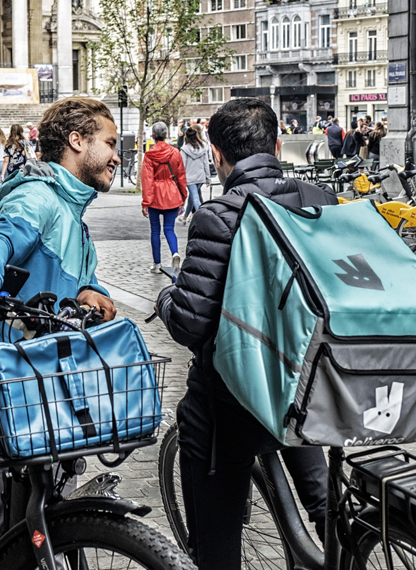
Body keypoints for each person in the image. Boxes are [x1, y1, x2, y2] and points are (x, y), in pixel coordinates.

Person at [156, 98, 336, 570]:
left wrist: (166, 298)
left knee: (215, 532)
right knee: (324, 500)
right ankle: (345, 545)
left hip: (236, 396)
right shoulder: (320, 200)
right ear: (275, 146)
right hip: (311, 382)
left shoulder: (217, 215)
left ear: (216, 155)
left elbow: (190, 323)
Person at [0, 97, 118, 570]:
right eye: (110, 143)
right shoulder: (38, 196)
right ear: (77, 141)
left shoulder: (73, 214)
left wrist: (92, 291)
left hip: (51, 386)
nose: (117, 156)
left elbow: (78, 276)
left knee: (48, 513)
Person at [141, 121, 186, 273]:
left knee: (155, 230)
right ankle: (175, 253)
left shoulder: (149, 155)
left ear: (153, 136)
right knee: (169, 228)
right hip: (172, 194)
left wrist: (145, 202)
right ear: (166, 135)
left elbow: (147, 180)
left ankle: (157, 264)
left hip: (155, 196)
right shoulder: (176, 153)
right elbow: (181, 176)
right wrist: (183, 196)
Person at [179, 127, 211, 225]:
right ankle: (184, 218)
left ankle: (202, 219)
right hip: (200, 177)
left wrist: (180, 180)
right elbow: (206, 163)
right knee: (192, 197)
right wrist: (208, 178)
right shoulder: (203, 147)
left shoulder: (184, 149)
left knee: (195, 197)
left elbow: (182, 166)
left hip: (189, 178)